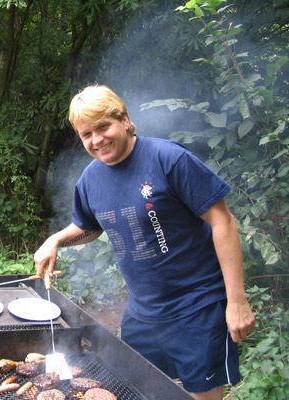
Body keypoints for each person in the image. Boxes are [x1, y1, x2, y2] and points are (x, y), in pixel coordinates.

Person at [34, 85, 256, 400]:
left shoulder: (169, 159)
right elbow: (90, 226)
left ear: (124, 120)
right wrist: (56, 239)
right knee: (138, 392)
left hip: (197, 308)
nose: (97, 140)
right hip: (142, 313)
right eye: (86, 134)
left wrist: (237, 301)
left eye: (103, 127)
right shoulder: (90, 180)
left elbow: (223, 222)